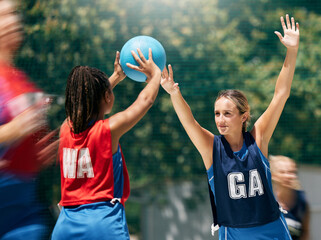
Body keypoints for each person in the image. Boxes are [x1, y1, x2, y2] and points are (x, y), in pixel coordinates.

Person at [161, 14, 299, 239]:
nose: (220, 119)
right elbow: (189, 122)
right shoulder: (211, 148)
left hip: (272, 229)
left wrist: (291, 50)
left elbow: (280, 95)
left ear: (244, 117)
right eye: (217, 113)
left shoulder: (258, 139)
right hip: (234, 232)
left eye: (227, 113)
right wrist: (174, 93)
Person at [51, 48, 161, 240]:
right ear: (107, 97)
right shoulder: (108, 129)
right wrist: (155, 74)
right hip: (102, 223)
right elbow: (146, 100)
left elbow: (86, 101)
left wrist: (115, 77)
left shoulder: (64, 128)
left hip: (65, 225)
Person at [0, 0, 59, 239]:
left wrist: (42, 154)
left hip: (25, 210)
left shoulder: (19, 80)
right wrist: (13, 130)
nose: (12, 22)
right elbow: (14, 131)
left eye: (13, 14)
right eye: (3, 16)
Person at [270, 155, 310, 240]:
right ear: (273, 175)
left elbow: (305, 232)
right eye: (283, 172)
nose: (289, 176)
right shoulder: (266, 200)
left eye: (292, 172)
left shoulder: (301, 201)